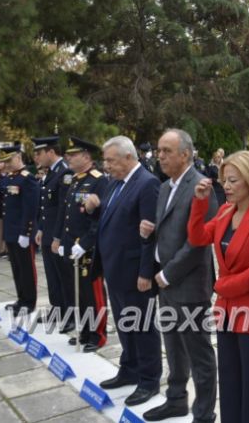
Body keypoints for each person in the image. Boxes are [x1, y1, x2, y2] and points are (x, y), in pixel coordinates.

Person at [188, 150, 249, 423]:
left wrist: (220, 286)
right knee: (229, 379)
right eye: (224, 180)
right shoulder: (227, 211)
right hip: (227, 311)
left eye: (232, 181)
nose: (225, 186)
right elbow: (197, 237)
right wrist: (199, 203)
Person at [140, 129, 218, 423]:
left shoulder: (201, 186)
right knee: (172, 347)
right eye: (159, 150)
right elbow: (169, 231)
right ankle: (176, 401)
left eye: (166, 151)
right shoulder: (165, 187)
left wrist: (168, 274)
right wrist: (149, 232)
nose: (159, 155)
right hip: (165, 282)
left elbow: (199, 242)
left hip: (188, 284)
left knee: (199, 354)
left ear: (185, 154)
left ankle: (204, 413)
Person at [87, 136, 161, 407]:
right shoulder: (114, 183)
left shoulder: (147, 184)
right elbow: (111, 218)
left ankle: (149, 380)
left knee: (142, 326)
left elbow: (149, 233)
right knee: (125, 324)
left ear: (129, 158)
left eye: (110, 160)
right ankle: (129, 370)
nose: (106, 166)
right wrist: (95, 209)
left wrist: (145, 273)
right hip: (114, 268)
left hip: (134, 273)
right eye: (105, 160)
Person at [51, 136, 110, 350]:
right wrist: (61, 239)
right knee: (79, 293)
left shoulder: (99, 180)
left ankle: (98, 335)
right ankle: (85, 331)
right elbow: (67, 213)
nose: (68, 157)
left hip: (89, 249)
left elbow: (100, 217)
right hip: (72, 245)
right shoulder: (75, 179)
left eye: (73, 154)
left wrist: (85, 243)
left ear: (86, 156)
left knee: (93, 293)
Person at [32, 136, 74, 330]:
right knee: (52, 276)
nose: (36, 157)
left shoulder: (65, 172)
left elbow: (63, 209)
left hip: (58, 236)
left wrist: (58, 237)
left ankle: (70, 316)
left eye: (39, 153)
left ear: (50, 152)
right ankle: (56, 310)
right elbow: (46, 206)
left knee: (64, 278)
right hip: (48, 234)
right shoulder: (51, 173)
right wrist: (40, 227)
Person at [0, 145, 40, 317]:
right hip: (10, 231)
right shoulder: (9, 178)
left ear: (18, 157)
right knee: (16, 268)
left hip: (22, 232)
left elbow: (30, 209)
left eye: (9, 160)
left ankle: (29, 302)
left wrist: (26, 232)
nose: (6, 164)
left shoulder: (27, 179)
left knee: (26, 269)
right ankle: (21, 298)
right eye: (4, 161)